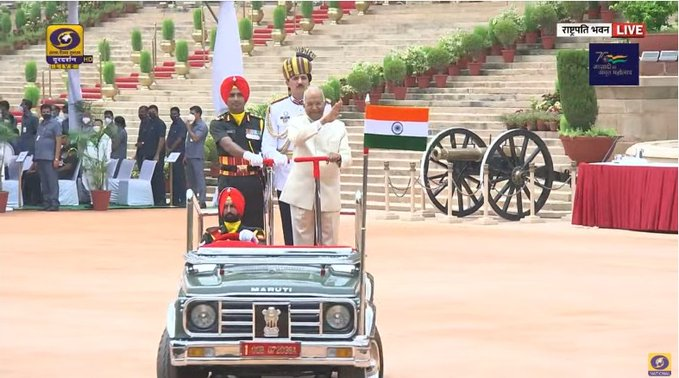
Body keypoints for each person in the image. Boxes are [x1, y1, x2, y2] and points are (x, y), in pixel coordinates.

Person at [262, 47, 330, 245]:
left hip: (316, 176)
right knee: (291, 233)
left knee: (319, 232)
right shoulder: (276, 109)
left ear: (310, 81)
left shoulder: (324, 108)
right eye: (295, 78)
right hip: (288, 176)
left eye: (303, 78)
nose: (300, 82)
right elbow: (268, 146)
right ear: (287, 83)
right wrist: (281, 160)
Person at [280, 87, 351, 246]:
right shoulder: (296, 122)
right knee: (302, 245)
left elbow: (347, 156)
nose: (314, 108)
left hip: (328, 190)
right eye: (310, 104)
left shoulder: (339, 126)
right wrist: (323, 121)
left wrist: (339, 157)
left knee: (330, 242)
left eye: (318, 103)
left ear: (325, 103)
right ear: (303, 105)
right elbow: (297, 139)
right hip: (301, 192)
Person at [209, 75, 266, 229]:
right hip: (229, 180)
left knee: (255, 226)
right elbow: (227, 144)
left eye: (239, 94)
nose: (235, 99)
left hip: (252, 180)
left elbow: (266, 147)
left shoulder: (258, 122)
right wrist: (247, 155)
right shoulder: (218, 123)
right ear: (225, 99)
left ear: (245, 98)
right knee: (228, 225)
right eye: (231, 95)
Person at [32, 103, 63, 211]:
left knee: (52, 181)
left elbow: (58, 141)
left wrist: (56, 158)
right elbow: (37, 140)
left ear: (51, 112)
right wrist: (35, 158)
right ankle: (46, 203)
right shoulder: (41, 124)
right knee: (44, 182)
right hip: (40, 157)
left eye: (47, 112)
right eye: (44, 112)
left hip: (50, 157)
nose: (46, 113)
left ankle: (54, 203)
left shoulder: (55, 124)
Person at [184, 105, 208, 208]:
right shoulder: (192, 125)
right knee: (190, 180)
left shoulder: (202, 126)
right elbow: (188, 141)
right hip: (189, 155)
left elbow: (196, 138)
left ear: (198, 114)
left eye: (193, 113)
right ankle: (192, 200)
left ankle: (202, 200)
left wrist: (188, 128)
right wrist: (185, 155)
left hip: (197, 156)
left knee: (199, 179)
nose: (191, 115)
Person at [146, 104, 167, 206]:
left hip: (157, 155)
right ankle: (153, 198)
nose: (151, 113)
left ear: (157, 112)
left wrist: (157, 154)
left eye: (153, 111)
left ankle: (161, 199)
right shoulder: (148, 123)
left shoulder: (160, 124)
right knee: (152, 178)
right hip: (149, 154)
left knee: (158, 177)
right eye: (150, 112)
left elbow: (161, 139)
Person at [166, 106, 187, 205]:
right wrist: (167, 147)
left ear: (179, 114)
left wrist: (171, 148)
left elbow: (180, 139)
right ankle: (174, 199)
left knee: (180, 178)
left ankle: (182, 199)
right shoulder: (173, 125)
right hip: (172, 155)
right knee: (173, 177)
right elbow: (169, 137)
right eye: (171, 114)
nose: (173, 116)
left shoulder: (181, 125)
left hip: (179, 154)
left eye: (175, 114)